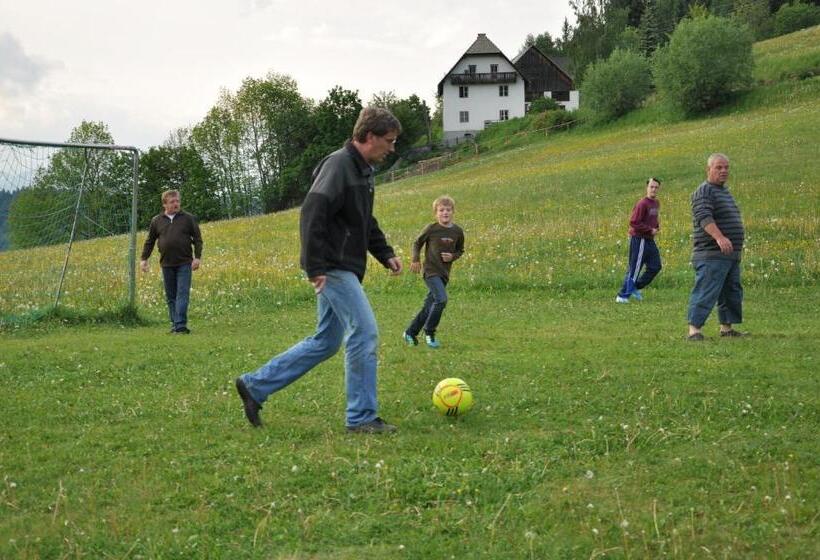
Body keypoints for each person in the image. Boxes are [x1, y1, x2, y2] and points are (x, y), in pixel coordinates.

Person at [235, 107, 403, 433]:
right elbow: (312, 213)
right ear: (369, 136)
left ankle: (255, 386)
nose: (392, 148)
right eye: (389, 141)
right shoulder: (339, 165)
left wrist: (384, 253)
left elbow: (364, 221)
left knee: (326, 341)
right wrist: (314, 266)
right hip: (333, 267)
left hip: (343, 266)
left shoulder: (362, 171)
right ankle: (362, 417)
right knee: (365, 332)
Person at [687, 153, 746, 341]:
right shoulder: (704, 191)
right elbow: (704, 217)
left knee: (731, 291)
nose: (724, 171)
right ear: (708, 169)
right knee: (706, 290)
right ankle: (694, 331)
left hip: (729, 255)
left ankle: (726, 328)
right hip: (711, 253)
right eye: (719, 167)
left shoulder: (723, 191)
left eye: (726, 167)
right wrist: (719, 237)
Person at [403, 195, 465, 348]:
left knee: (429, 306)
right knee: (441, 299)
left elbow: (460, 250)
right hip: (430, 272)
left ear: (453, 212)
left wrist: (452, 256)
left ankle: (410, 333)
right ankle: (429, 333)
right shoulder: (431, 229)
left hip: (444, 274)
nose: (445, 213)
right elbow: (417, 243)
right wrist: (415, 259)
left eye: (448, 210)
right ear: (436, 213)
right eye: (441, 210)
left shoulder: (458, 231)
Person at [140, 189, 202, 334]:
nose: (176, 204)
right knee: (171, 296)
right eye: (172, 202)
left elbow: (198, 239)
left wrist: (197, 257)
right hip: (166, 264)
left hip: (185, 263)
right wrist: (144, 259)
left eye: (177, 201)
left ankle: (180, 325)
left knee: (182, 293)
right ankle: (175, 325)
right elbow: (150, 241)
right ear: (165, 204)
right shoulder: (157, 221)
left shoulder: (188, 218)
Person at [616, 178, 662, 303]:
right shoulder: (642, 203)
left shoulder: (656, 203)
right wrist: (649, 230)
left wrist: (656, 227)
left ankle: (635, 287)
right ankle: (622, 296)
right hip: (639, 239)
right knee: (635, 269)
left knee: (655, 266)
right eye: (651, 187)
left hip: (649, 240)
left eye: (656, 187)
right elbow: (634, 222)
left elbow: (653, 219)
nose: (653, 189)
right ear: (647, 188)